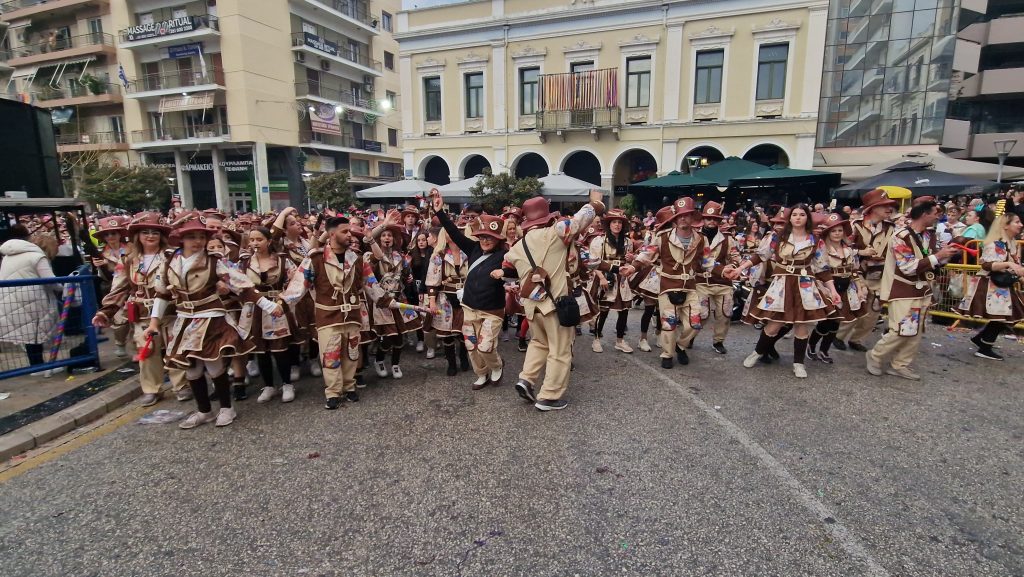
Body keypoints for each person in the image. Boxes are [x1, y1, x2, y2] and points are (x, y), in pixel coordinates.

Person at [146, 214, 284, 429]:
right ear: (181, 239)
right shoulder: (169, 262)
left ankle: (227, 408)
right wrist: (154, 322)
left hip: (211, 317)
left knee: (214, 364)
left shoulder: (214, 261)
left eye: (201, 236)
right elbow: (162, 294)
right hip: (184, 320)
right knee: (190, 368)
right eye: (191, 236)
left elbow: (242, 285)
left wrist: (269, 306)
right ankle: (204, 411)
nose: (197, 241)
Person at [502, 191, 604, 411]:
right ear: (547, 217)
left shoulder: (517, 247)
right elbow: (584, 217)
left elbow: (507, 265)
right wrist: (596, 203)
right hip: (555, 305)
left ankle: (526, 379)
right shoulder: (557, 233)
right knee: (560, 349)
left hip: (531, 307)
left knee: (539, 343)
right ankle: (549, 397)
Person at [731, 204, 840, 379]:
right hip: (781, 284)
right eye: (794, 214)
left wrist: (832, 291)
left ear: (807, 218)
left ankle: (798, 364)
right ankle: (757, 352)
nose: (798, 217)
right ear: (789, 218)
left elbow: (823, 269)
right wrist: (740, 268)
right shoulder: (777, 237)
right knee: (774, 324)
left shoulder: (815, 240)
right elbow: (760, 255)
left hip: (805, 284)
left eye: (802, 214)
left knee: (801, 325)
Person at [93, 212, 188, 406]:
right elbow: (119, 287)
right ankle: (152, 388)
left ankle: (182, 385)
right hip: (142, 312)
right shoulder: (128, 259)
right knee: (148, 351)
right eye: (145, 232)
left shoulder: (173, 255)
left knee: (175, 348)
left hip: (171, 311)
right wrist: (106, 311)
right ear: (137, 235)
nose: (150, 236)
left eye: (155, 232)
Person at [866, 199, 958, 380]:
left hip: (923, 288)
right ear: (924, 214)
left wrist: (945, 255)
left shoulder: (929, 235)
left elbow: (931, 259)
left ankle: (900, 364)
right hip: (902, 289)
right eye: (934, 214)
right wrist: (937, 256)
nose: (937, 217)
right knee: (901, 329)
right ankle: (875, 355)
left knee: (916, 330)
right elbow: (907, 267)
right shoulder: (900, 237)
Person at [430, 189, 508, 389]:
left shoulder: (506, 256)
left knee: (485, 346)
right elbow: (454, 233)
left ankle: (497, 365)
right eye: (482, 237)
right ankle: (481, 374)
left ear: (498, 239)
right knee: (472, 346)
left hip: (492, 311)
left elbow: (518, 270)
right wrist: (439, 212)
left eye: (490, 237)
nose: (485, 240)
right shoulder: (473, 249)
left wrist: (505, 274)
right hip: (469, 307)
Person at [632, 198, 706, 370]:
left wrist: (726, 270)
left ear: (692, 217)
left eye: (687, 215)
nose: (683, 219)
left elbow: (708, 261)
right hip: (667, 286)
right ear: (675, 218)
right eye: (680, 216)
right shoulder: (662, 237)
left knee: (695, 323)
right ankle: (667, 353)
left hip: (689, 287)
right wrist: (632, 267)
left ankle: (680, 346)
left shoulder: (701, 239)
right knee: (668, 324)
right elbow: (647, 255)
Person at [241, 227, 301, 403]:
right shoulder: (245, 263)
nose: (254, 243)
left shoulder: (282, 260)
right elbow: (240, 286)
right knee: (261, 350)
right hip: (254, 309)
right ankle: (268, 386)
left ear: (268, 241)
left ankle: (287, 383)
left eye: (259, 239)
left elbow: (294, 282)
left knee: (280, 348)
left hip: (278, 306)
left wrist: (283, 301)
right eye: (251, 240)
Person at [835, 188, 898, 352]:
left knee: (873, 311)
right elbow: (840, 248)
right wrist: (861, 252)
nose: (889, 208)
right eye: (885, 205)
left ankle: (857, 339)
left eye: (890, 205)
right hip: (858, 273)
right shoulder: (855, 226)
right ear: (872, 208)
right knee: (855, 306)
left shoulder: (892, 228)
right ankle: (839, 336)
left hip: (881, 274)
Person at [957, 207, 1024, 360]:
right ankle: (984, 346)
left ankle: (982, 340)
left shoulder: (1012, 243)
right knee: (1003, 317)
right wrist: (1009, 265)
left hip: (1002, 286)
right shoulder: (998, 244)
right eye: (1017, 222)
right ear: (1005, 225)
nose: (1020, 225)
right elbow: (987, 265)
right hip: (992, 285)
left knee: (1006, 316)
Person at [366, 211, 423, 379]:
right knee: (388, 337)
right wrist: (380, 228)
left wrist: (409, 276)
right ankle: (380, 360)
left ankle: (396, 365)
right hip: (382, 302)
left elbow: (406, 274)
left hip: (399, 300)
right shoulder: (372, 256)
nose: (387, 238)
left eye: (390, 235)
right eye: (383, 235)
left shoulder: (400, 256)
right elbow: (371, 245)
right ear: (379, 239)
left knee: (399, 338)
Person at [807, 212, 868, 364]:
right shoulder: (821, 249)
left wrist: (860, 288)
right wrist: (824, 287)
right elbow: (818, 270)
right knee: (827, 321)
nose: (837, 233)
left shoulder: (849, 249)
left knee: (837, 322)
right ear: (828, 232)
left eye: (840, 230)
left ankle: (824, 350)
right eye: (833, 231)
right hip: (828, 286)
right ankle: (811, 345)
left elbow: (854, 270)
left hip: (846, 287)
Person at [0, 224, 60, 375]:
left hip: (10, 299)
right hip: (33, 299)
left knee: (28, 335)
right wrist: (67, 287)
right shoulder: (37, 256)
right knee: (41, 334)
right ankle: (47, 366)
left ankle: (36, 367)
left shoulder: (7, 256)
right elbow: (50, 281)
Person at [692, 201, 740, 354]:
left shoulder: (727, 239)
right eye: (708, 218)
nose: (711, 221)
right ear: (703, 219)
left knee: (725, 313)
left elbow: (735, 256)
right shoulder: (695, 236)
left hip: (722, 282)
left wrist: (733, 266)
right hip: (701, 281)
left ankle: (718, 341)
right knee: (701, 313)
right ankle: (690, 336)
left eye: (715, 219)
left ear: (719, 221)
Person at [588, 208, 636, 354]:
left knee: (624, 311)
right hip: (605, 276)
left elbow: (629, 261)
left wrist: (631, 259)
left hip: (622, 278)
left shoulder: (628, 241)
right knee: (603, 310)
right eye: (614, 222)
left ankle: (620, 340)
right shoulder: (599, 241)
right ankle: (596, 339)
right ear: (608, 224)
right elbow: (592, 262)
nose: (617, 225)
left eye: (620, 222)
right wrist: (601, 278)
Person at [92, 216, 131, 357]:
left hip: (133, 288)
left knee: (137, 318)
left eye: (113, 233)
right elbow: (101, 277)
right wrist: (101, 266)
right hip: (114, 290)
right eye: (107, 234)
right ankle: (120, 344)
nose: (110, 237)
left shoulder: (132, 249)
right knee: (119, 319)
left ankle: (139, 348)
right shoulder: (101, 254)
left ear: (120, 234)